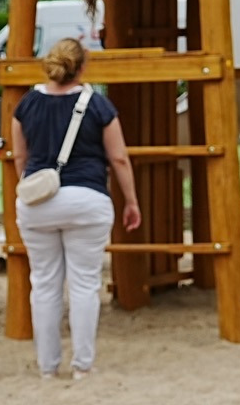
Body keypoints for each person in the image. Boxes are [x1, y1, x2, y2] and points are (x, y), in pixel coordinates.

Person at [10, 38, 142, 381]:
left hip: (37, 204)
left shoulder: (26, 104)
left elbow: (20, 158)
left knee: (44, 284)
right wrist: (130, 200)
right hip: (87, 198)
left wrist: (33, 189)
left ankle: (47, 367)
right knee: (84, 284)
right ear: (82, 67)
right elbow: (118, 158)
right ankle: (82, 366)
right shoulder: (98, 105)